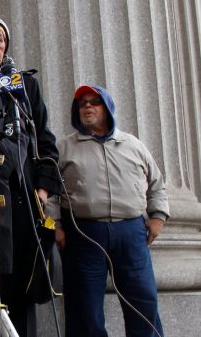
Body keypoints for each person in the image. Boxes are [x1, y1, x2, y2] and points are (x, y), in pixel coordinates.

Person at [0, 14, 62, 336]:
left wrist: (43, 190)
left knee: (19, 295)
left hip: (20, 205)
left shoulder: (25, 85)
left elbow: (45, 142)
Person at [54, 85, 168, 336]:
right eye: (82, 103)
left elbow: (157, 184)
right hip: (84, 234)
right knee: (85, 307)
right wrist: (56, 226)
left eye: (94, 102)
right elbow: (50, 190)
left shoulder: (134, 145)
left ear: (108, 108)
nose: (87, 106)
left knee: (143, 301)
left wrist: (158, 217)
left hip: (131, 232)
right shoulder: (64, 147)